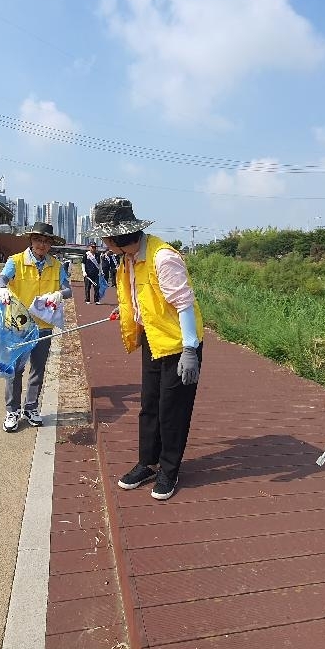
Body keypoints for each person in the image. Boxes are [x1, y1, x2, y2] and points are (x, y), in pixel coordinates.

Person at [92, 197, 203, 501]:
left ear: (117, 235)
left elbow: (184, 304)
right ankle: (147, 462)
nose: (102, 241)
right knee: (149, 405)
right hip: (153, 340)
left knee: (173, 411)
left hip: (178, 345)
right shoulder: (128, 258)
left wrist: (190, 349)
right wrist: (130, 313)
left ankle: (169, 469)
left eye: (104, 236)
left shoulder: (162, 257)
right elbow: (140, 296)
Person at [0, 221, 72, 432]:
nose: (42, 245)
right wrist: (2, 289)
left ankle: (31, 408)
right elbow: (0, 279)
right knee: (15, 370)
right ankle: (12, 410)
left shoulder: (56, 265)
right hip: (19, 324)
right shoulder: (16, 261)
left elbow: (68, 290)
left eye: (46, 241)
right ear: (31, 240)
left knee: (38, 370)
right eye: (38, 240)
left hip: (43, 326)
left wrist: (59, 293)